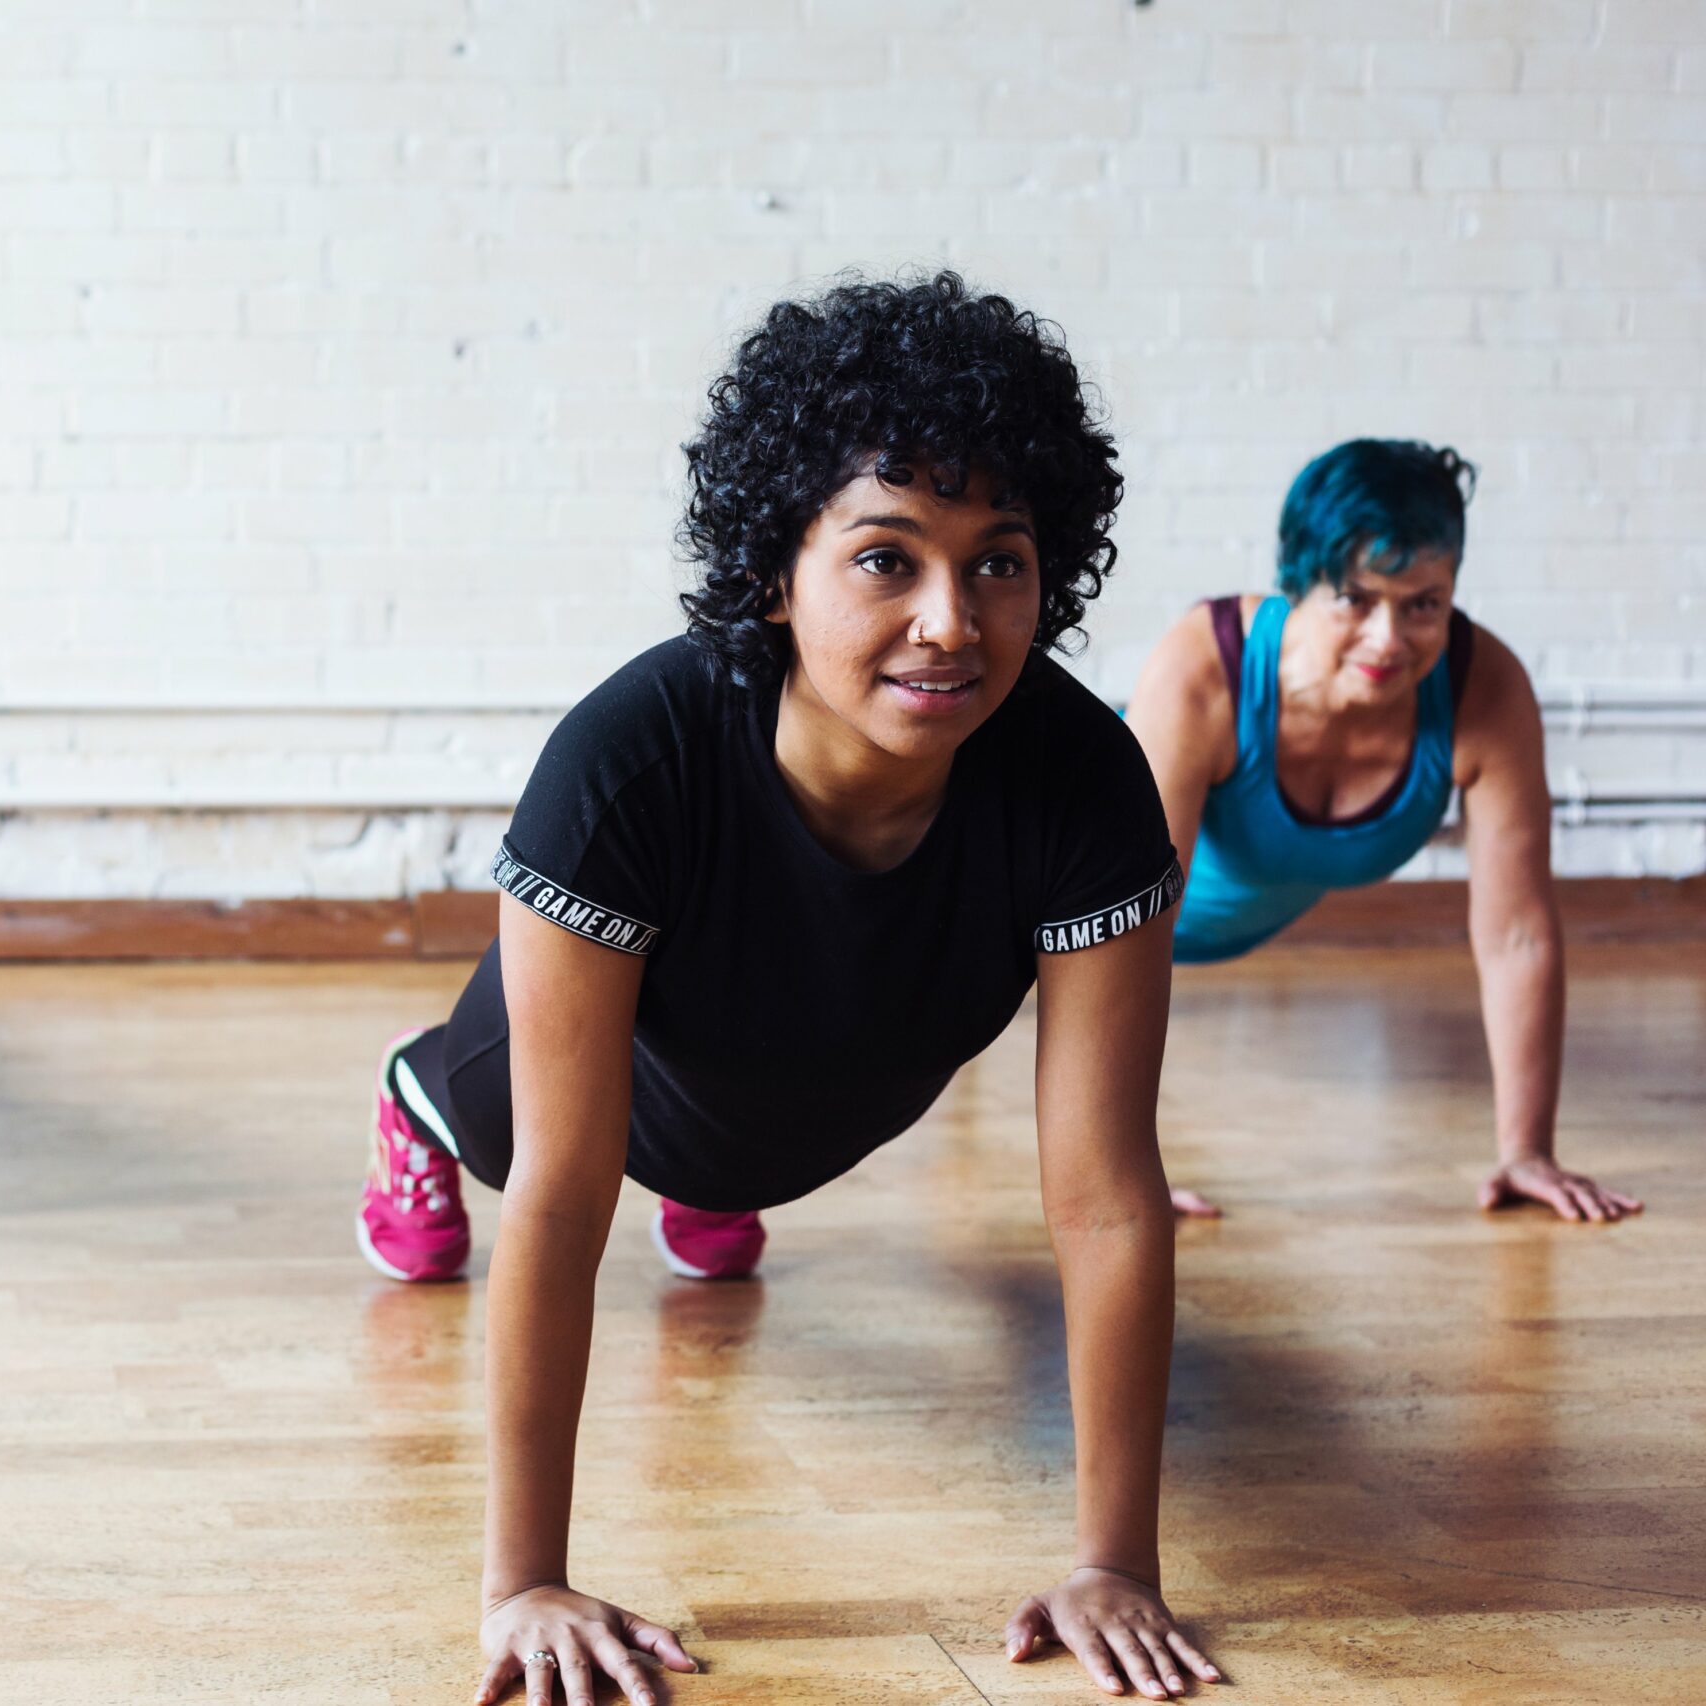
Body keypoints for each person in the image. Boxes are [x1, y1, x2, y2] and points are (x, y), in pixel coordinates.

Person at [358, 276, 1221, 1702]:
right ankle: (418, 1095)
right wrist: (522, 1582)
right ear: (778, 571)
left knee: (735, 1155)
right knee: (513, 1127)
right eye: (888, 559)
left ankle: (719, 1177)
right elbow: (568, 1206)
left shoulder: (1083, 782)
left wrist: (1115, 1559)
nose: (952, 619)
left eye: (999, 561)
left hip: (816, 1071)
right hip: (615, 1080)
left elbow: (1108, 1193)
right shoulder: (624, 766)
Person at [1123, 440, 1641, 1225]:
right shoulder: (1209, 669)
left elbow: (1518, 938)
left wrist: (1526, 1149)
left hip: (1210, 926)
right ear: (1297, 584)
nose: (1389, 638)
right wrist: (1119, 1170)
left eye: (1422, 603)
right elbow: (1128, 926)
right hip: (1066, 902)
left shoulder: (1483, 691)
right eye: (1356, 599)